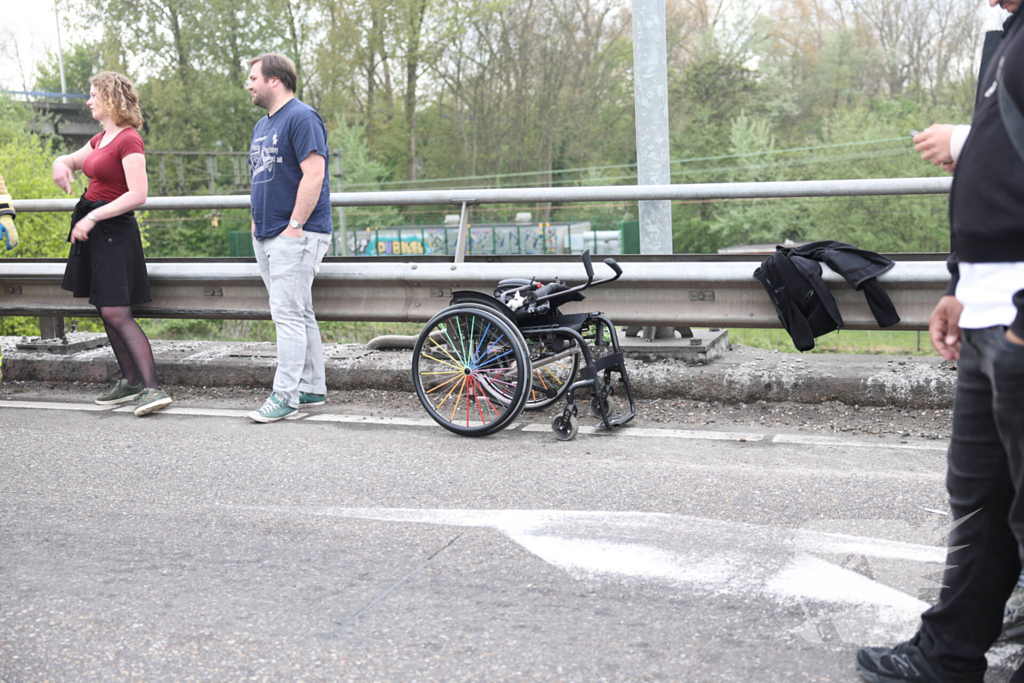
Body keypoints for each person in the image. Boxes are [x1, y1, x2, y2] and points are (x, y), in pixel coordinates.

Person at [855, 0, 1024, 681]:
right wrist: (960, 285)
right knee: (981, 500)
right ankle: (948, 654)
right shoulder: (1010, 36)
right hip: (987, 304)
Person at [51, 71, 172, 417]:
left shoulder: (128, 140)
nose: (88, 101)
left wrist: (94, 216)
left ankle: (152, 387)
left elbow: (139, 194)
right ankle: (131, 381)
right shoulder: (100, 138)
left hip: (113, 231)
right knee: (105, 308)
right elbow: (71, 160)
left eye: (92, 95)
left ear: (109, 98)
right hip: (96, 231)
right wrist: (59, 164)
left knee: (117, 311)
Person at [244, 53, 333, 423]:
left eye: (253, 78)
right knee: (299, 313)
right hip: (266, 233)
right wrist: (255, 222)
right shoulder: (261, 126)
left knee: (287, 316)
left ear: (274, 80)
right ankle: (312, 389)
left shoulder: (301, 117)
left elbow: (314, 174)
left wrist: (295, 224)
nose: (247, 84)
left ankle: (285, 396)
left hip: (296, 233)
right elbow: (260, 177)